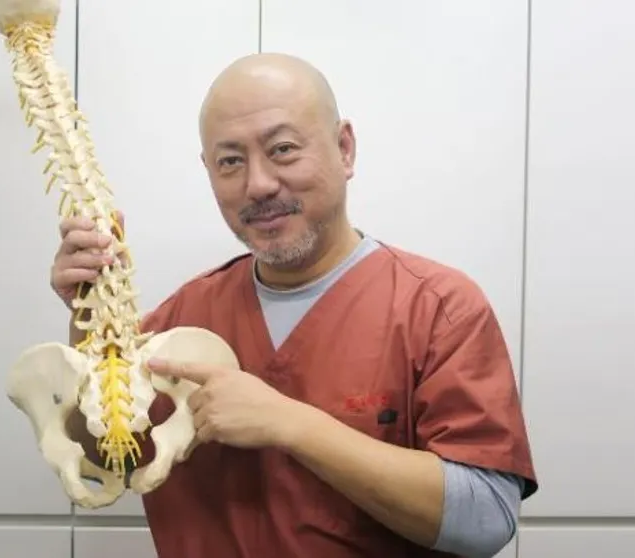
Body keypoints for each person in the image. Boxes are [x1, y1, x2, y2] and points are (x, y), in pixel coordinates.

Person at [55, 52, 538, 558]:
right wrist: (90, 319)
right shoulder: (180, 319)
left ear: (344, 149)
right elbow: (110, 461)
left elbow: (486, 519)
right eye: (230, 161)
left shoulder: (438, 309)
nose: (258, 184)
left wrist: (289, 423)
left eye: (282, 149)